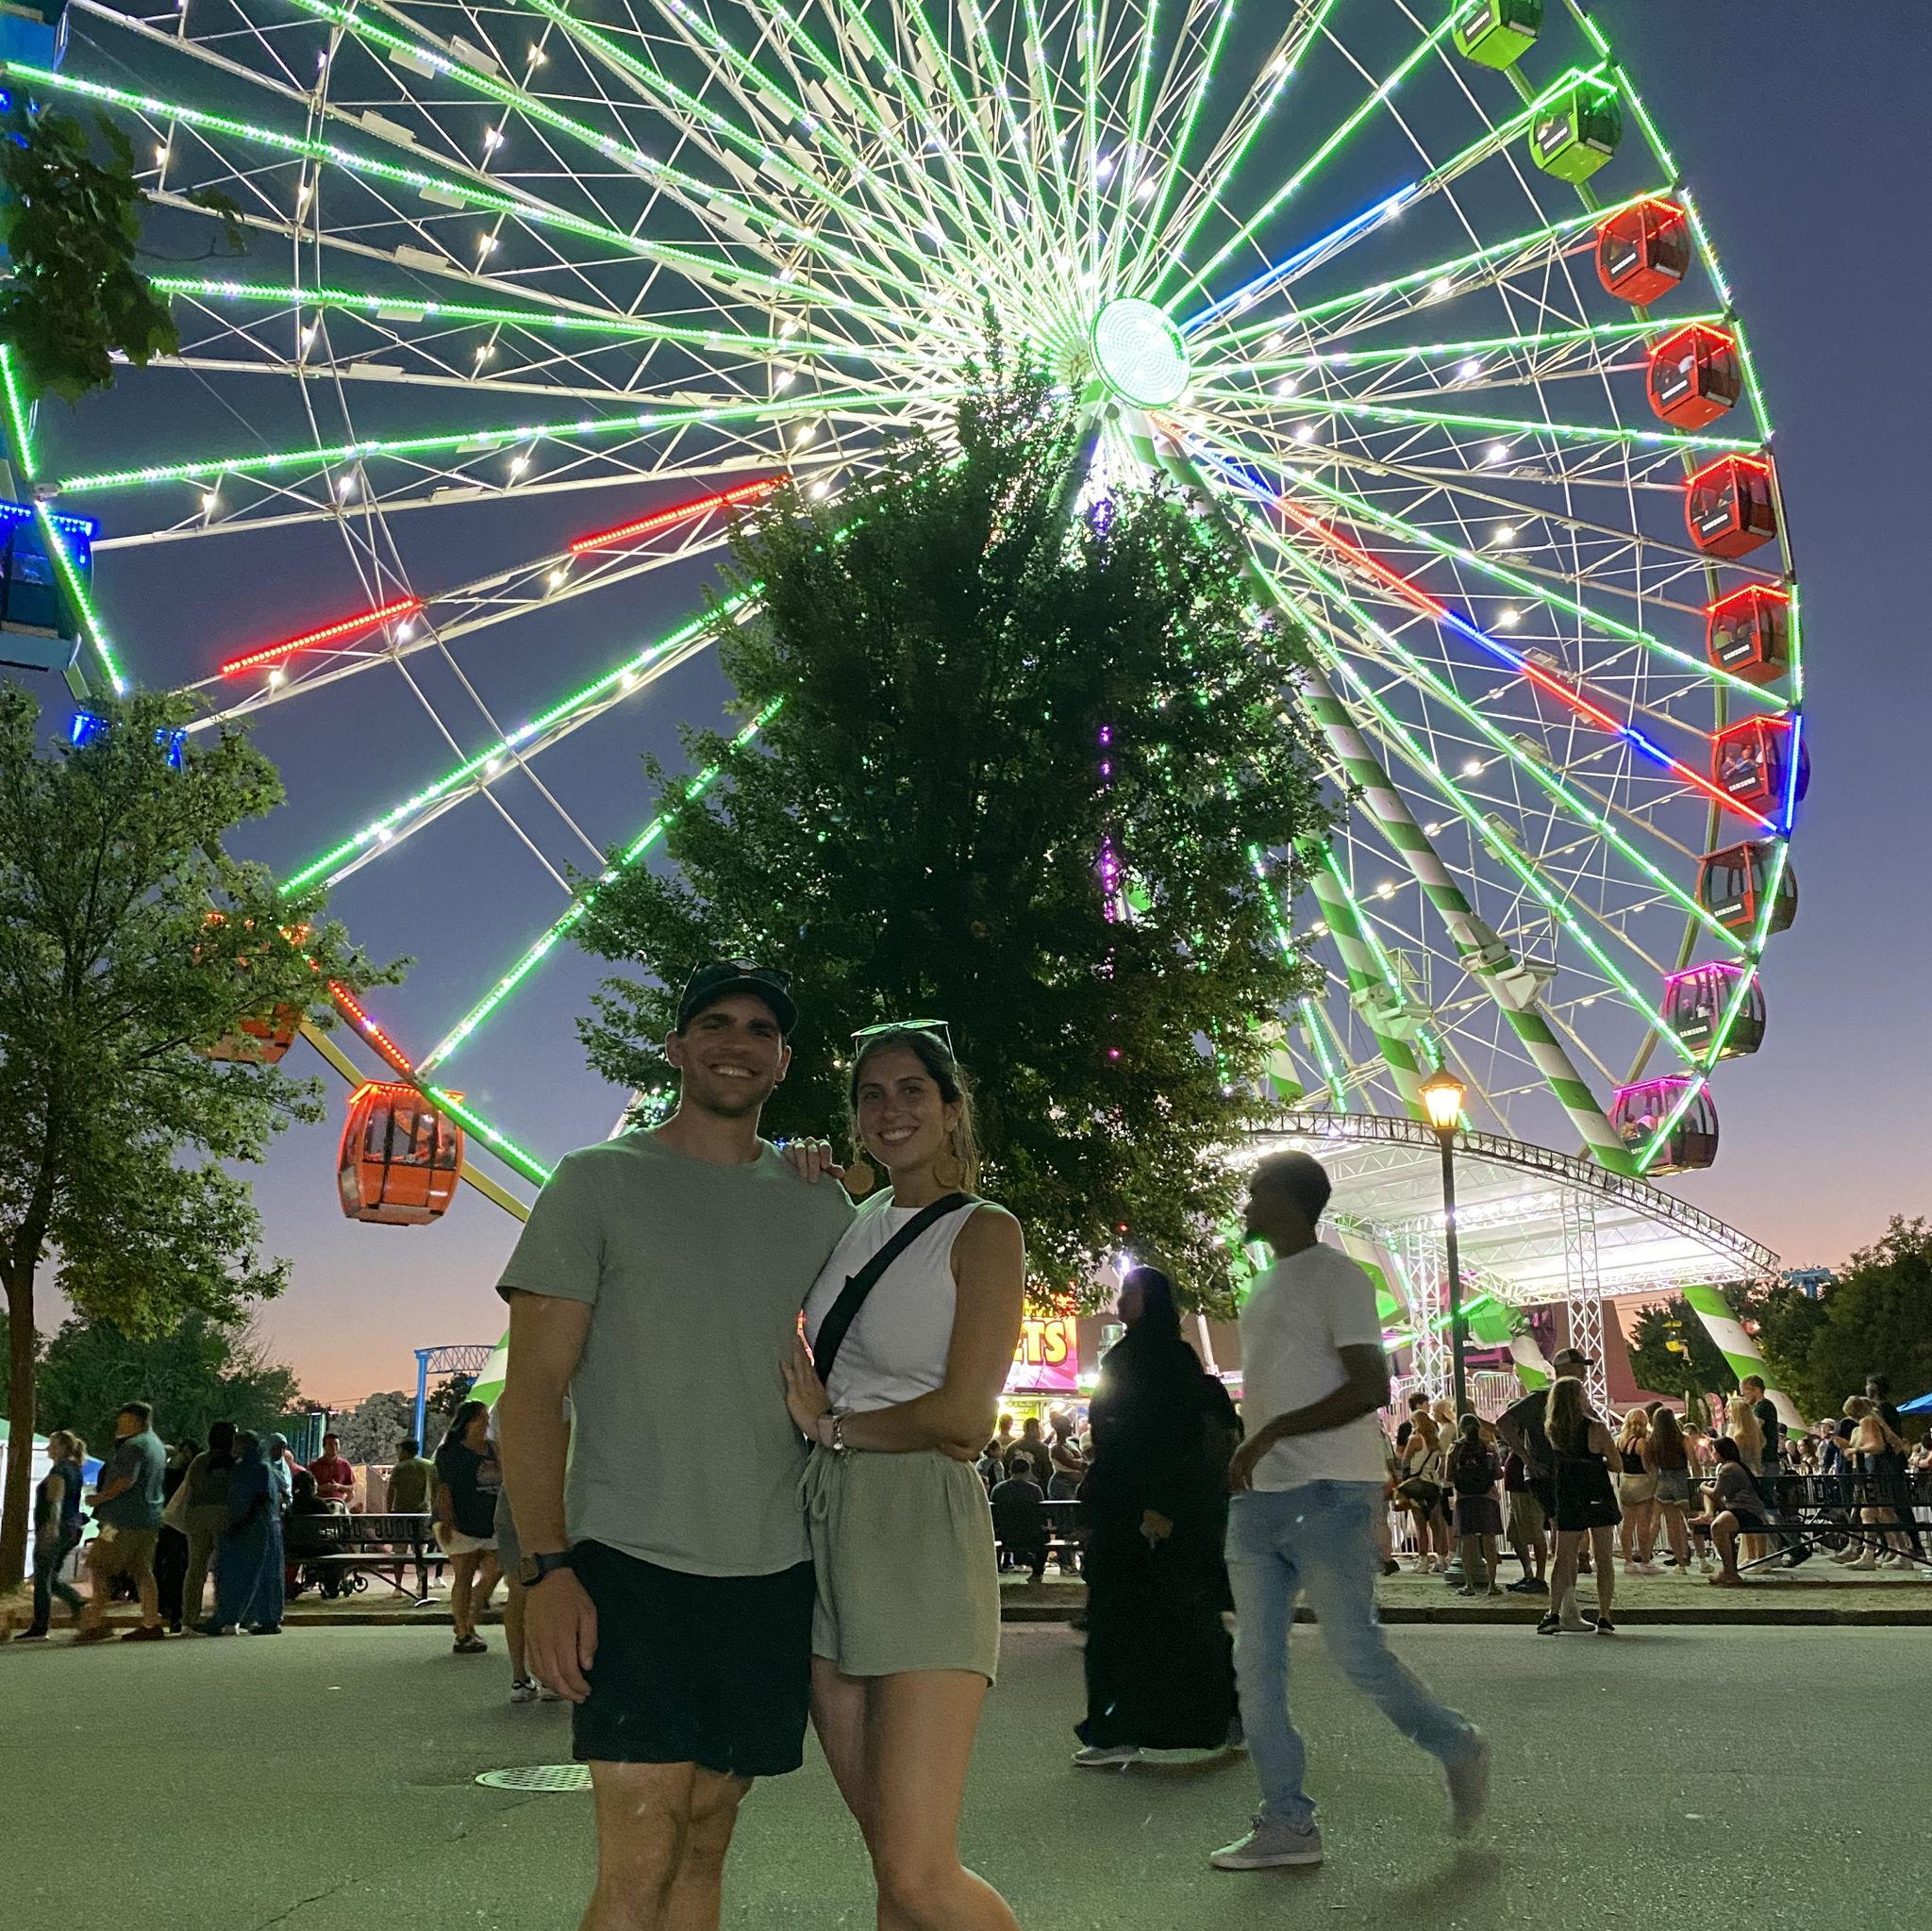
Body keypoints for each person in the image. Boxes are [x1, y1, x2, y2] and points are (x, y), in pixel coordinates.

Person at [493, 960, 855, 1931]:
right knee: (640, 1846)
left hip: (773, 1560)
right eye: (715, 1024)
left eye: (759, 1030)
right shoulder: (596, 1183)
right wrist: (547, 1569)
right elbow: (530, 1395)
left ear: (782, 1060)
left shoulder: (820, 1202)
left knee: (706, 1830)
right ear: (677, 1048)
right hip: (631, 1558)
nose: (736, 1042)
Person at [780, 1024, 1026, 1930]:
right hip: (825, 1516)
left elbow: (965, 1419)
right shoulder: (847, 1225)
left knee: (922, 1871)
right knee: (889, 1861)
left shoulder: (985, 1231)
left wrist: (832, 1424)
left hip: (920, 1516)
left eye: (913, 1090)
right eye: (872, 1094)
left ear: (952, 1106)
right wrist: (787, 1173)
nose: (893, 1110)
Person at [1213, 1153, 1486, 1872]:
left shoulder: (1341, 1278)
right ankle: (1287, 1821)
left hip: (1332, 1491)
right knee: (1255, 1666)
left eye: (1257, 1189)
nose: (1246, 1200)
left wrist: (1270, 1433)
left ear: (1290, 1200)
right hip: (1259, 1499)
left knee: (1353, 1651)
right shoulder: (1262, 1284)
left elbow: (1369, 1385)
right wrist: (1249, 1445)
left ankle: (1455, 1742)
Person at [1075, 1263, 1240, 1772]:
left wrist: (1158, 1505)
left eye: (1129, 1292)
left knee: (1138, 1620)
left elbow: (1163, 1435)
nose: (1120, 1301)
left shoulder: (1152, 1361)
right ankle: (1213, 1719)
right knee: (1172, 1619)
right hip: (1142, 1507)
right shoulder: (1163, 1357)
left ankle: (1119, 1726)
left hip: (1142, 1511)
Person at [1496, 1348, 1592, 1622]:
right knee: (1564, 1541)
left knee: (1565, 1540)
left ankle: (1563, 1602)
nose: (1584, 1372)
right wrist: (1527, 1457)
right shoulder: (1542, 1399)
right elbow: (1503, 1423)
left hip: (1558, 1474)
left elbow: (1504, 1424)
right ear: (1565, 1369)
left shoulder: (1566, 1400)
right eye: (1579, 1367)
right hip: (1552, 1475)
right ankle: (1563, 1605)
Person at [75, 1400, 168, 1645]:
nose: (119, 1423)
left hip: (119, 1521)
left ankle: (96, 1621)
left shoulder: (133, 1446)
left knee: (98, 1564)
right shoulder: (157, 1446)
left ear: (136, 1420)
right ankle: (151, 1621)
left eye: (123, 1419)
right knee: (142, 1569)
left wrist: (99, 1498)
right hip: (149, 1519)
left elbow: (125, 1480)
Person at [1539, 1378, 1621, 1637]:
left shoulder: (1553, 1429)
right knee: (1604, 1557)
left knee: (1563, 1557)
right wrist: (1599, 1463)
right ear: (1578, 1397)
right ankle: (1604, 1615)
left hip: (1568, 1494)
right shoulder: (1595, 1428)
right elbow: (1617, 1463)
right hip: (1596, 1493)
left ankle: (1553, 1612)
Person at [434, 1399, 503, 1656]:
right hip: (462, 1520)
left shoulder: (493, 1448)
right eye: (480, 1417)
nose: (485, 1422)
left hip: (490, 1520)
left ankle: (474, 1603)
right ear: (467, 1422)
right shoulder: (451, 1452)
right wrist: (447, 1520)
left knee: (498, 1566)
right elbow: (445, 1488)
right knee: (464, 1573)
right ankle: (463, 1630)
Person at [207, 1432, 285, 1635]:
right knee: (262, 1574)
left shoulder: (254, 1469)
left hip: (252, 1528)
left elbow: (258, 1498)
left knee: (244, 1574)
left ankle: (233, 1617)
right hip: (259, 1526)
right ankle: (260, 1618)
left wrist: (239, 1523)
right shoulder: (262, 1467)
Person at [20, 1430, 88, 1640]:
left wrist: (51, 1526)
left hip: (57, 1528)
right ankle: (77, 1603)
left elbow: (55, 1498)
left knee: (43, 1577)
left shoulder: (59, 1470)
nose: (48, 1448)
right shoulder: (75, 1469)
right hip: (72, 1528)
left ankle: (41, 1625)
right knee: (51, 1576)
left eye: (52, 1444)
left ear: (61, 1447)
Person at [179, 1423, 238, 1631]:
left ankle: (189, 1618)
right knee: (226, 1569)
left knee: (196, 1569)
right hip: (224, 1516)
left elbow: (192, 1487)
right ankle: (227, 1617)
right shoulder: (234, 1463)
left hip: (196, 1516)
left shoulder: (200, 1461)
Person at [1697, 1437, 1775, 1587]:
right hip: (1741, 1509)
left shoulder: (1729, 1468)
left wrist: (1702, 1486)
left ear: (1721, 1452)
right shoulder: (1733, 1467)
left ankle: (1729, 1572)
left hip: (1746, 1511)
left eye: (1713, 1451)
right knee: (1722, 1529)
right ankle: (1729, 1570)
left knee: (1718, 1527)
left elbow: (1716, 1494)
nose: (1712, 1454)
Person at [1446, 1416, 1503, 1598]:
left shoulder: (1455, 1448)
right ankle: (1492, 1584)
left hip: (1464, 1498)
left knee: (1467, 1543)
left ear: (1461, 1429)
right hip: (1487, 1497)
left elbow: (1448, 1475)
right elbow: (1498, 1474)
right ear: (1479, 1428)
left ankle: (1469, 1584)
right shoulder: (1488, 1448)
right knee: (1489, 1541)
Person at [1394, 1409, 1451, 1573]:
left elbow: (1405, 1461)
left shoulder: (1415, 1439)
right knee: (1436, 1525)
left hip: (1417, 1485)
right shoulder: (1435, 1441)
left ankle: (1423, 1561)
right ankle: (1441, 1560)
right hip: (1432, 1484)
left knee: (1420, 1526)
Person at [1646, 1407, 1697, 1574]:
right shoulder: (1682, 1438)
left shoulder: (1652, 1441)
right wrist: (1698, 1483)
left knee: (1671, 1524)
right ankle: (1702, 1558)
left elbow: (1651, 1468)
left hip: (1663, 1480)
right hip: (1681, 1478)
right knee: (1694, 1520)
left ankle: (1681, 1563)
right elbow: (1693, 1462)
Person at [156, 1438, 198, 1632]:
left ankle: (174, 1612)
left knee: (175, 1571)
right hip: (179, 1527)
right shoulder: (188, 1474)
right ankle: (176, 1612)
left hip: (173, 1526)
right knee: (179, 1570)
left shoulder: (174, 1474)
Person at [990, 1454, 1049, 1582]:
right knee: (1045, 1538)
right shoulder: (1035, 1490)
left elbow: (993, 1515)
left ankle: (1017, 1562)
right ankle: (1037, 1572)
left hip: (1004, 1534)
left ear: (1010, 1471)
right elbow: (1041, 1514)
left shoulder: (998, 1489)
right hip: (1031, 1534)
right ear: (1028, 1472)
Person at [1615, 1408, 1658, 1576]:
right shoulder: (1641, 1443)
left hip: (1626, 1481)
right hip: (1641, 1483)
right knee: (1643, 1525)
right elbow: (1648, 1466)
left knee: (1627, 1524)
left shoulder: (1619, 1441)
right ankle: (1645, 1560)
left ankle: (1628, 1561)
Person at [1501, 1448, 1548, 1594]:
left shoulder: (1526, 1437)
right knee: (1515, 1535)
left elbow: (1500, 1428)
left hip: (1527, 1488)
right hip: (1517, 1488)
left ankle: (1540, 1578)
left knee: (1535, 1533)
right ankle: (1528, 1575)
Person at [386, 1438, 438, 1515]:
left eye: (399, 1451)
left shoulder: (400, 1467)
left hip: (403, 1513)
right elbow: (435, 1490)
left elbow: (391, 1492)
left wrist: (388, 1511)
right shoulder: (430, 1466)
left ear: (405, 1452)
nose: (397, 1455)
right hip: (425, 1512)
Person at [1045, 1410, 1087, 1500]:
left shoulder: (1072, 1443)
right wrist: (1080, 1461)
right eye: (1068, 1424)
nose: (1071, 1427)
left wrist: (1079, 1461)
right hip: (1061, 1486)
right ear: (1061, 1428)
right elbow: (1074, 1464)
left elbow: (1083, 1460)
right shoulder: (1055, 1448)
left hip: (1074, 1486)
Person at [308, 1432, 357, 1508]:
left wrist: (339, 1487)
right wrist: (321, 1487)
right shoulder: (314, 1466)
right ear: (324, 1446)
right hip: (319, 1504)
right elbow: (307, 1487)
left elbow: (351, 1487)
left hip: (338, 1504)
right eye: (330, 1444)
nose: (334, 1447)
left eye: (336, 1444)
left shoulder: (344, 1465)